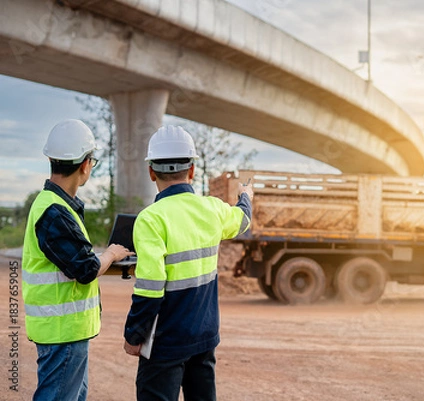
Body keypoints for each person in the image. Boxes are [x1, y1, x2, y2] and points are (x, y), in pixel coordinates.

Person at [123, 125, 253, 401]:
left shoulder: (150, 219)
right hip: (204, 336)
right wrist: (246, 197)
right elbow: (243, 220)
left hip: (166, 342)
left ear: (151, 172)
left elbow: (150, 287)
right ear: (192, 170)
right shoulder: (213, 209)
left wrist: (134, 334)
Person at [22, 119, 134, 401]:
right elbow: (84, 268)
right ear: (85, 164)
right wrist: (111, 254)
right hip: (62, 332)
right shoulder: (54, 211)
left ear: (52, 159)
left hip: (65, 331)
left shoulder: (56, 206)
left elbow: (72, 261)